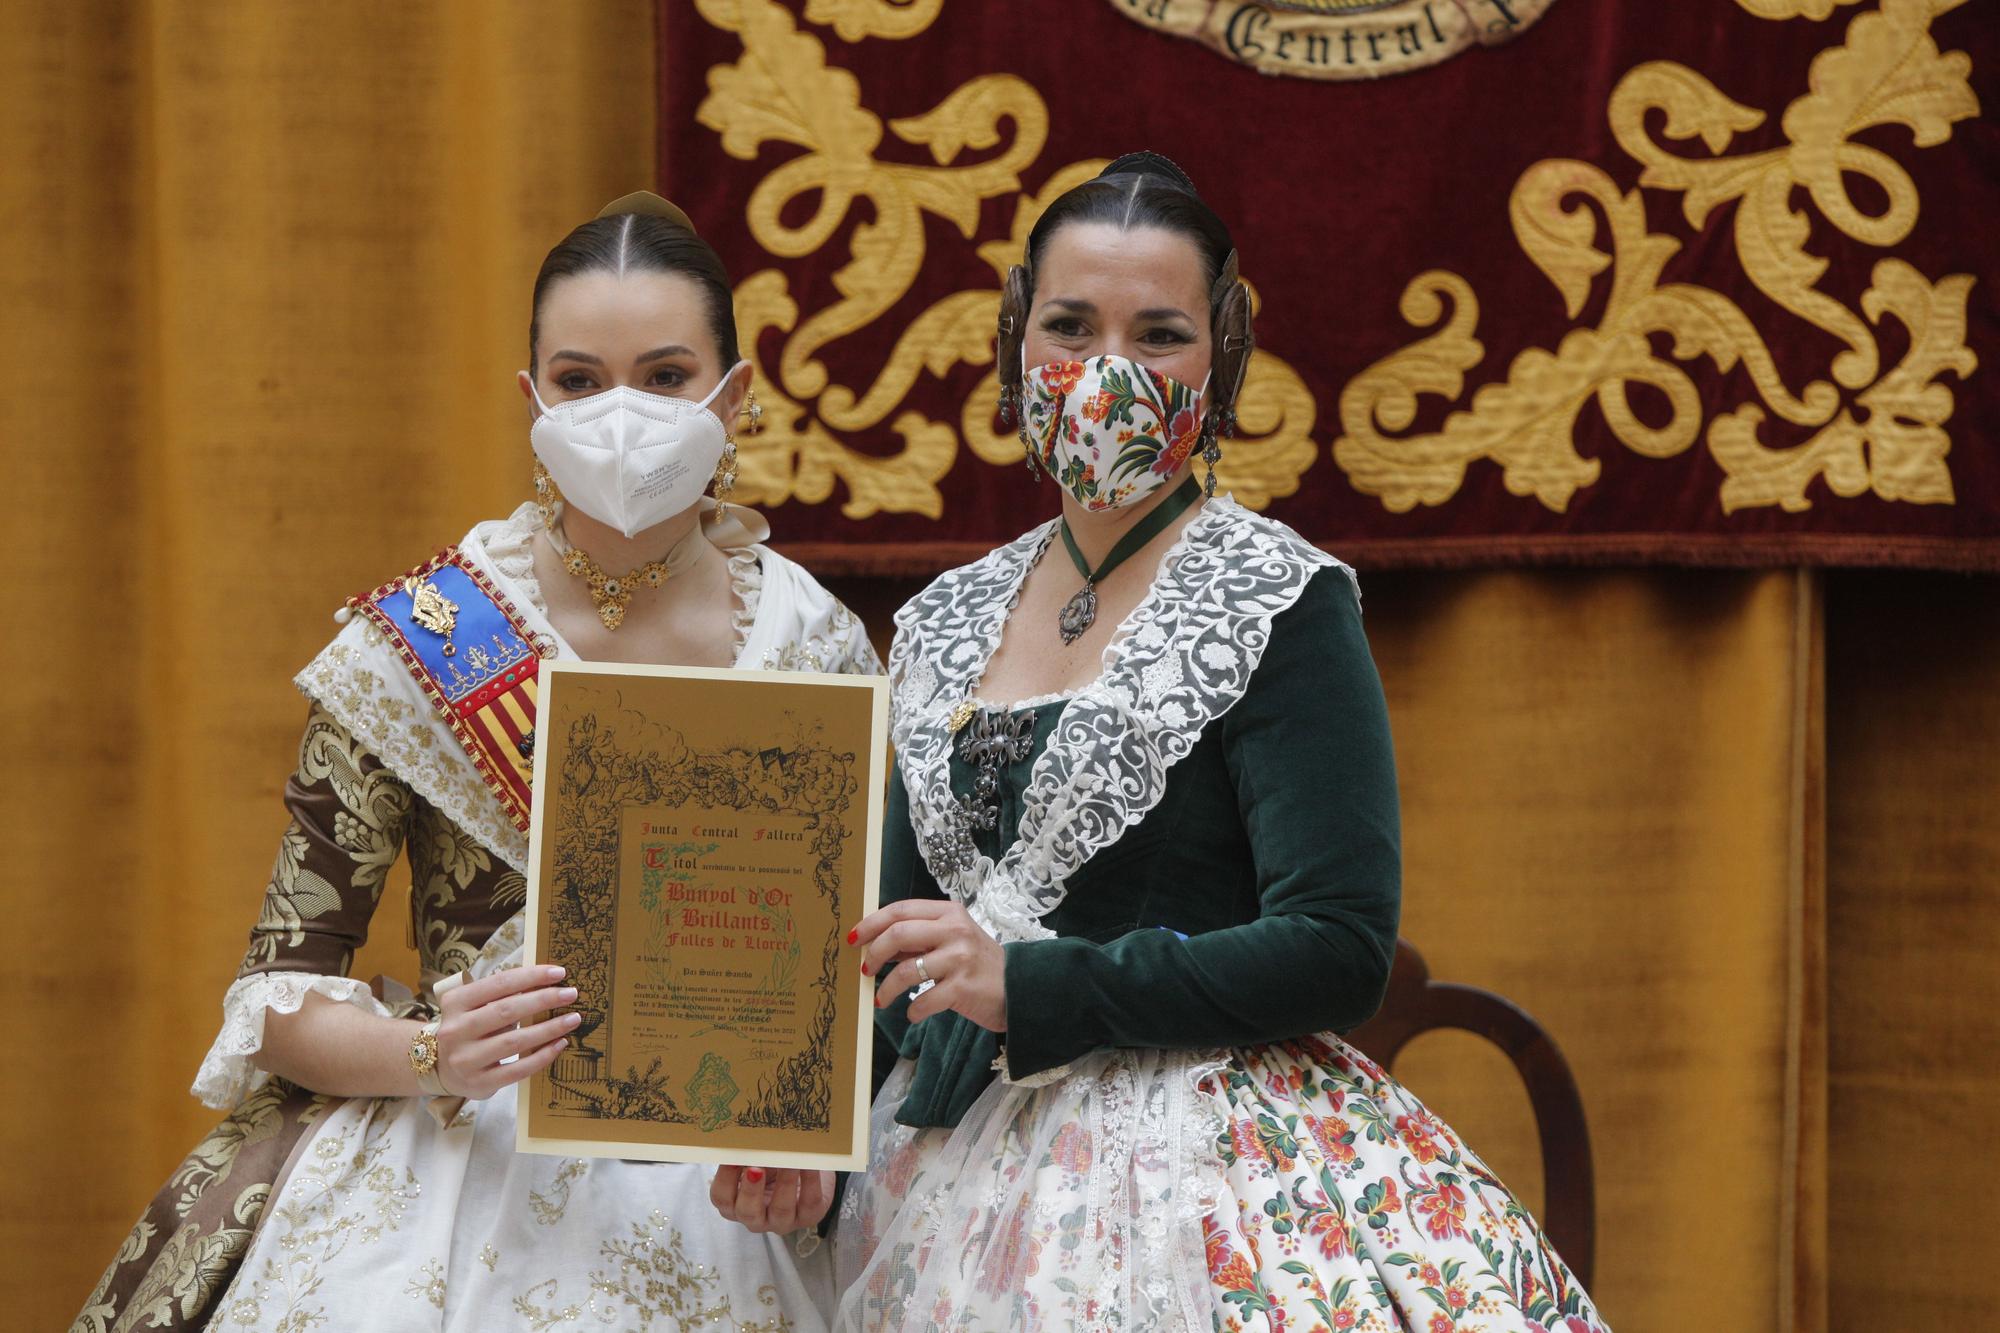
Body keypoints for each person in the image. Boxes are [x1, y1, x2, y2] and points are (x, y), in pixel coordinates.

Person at [807, 153, 1610, 1330]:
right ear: (1013, 341)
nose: (1105, 374)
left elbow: (1337, 942)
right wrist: (816, 1155)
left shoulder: (1274, 596)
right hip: (947, 1177)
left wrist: (1031, 983)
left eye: (1159, 334)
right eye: (1070, 326)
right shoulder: (943, 619)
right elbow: (893, 955)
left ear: (1220, 356)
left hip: (1209, 1163)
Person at [75, 193, 877, 1332]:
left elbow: (847, 978)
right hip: (454, 1177)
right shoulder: (422, 640)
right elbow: (276, 997)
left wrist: (812, 1155)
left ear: (732, 395)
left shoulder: (817, 646)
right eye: (579, 379)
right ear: (530, 397)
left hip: (727, 1198)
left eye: (662, 375)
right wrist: (433, 1050)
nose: (621, 414)